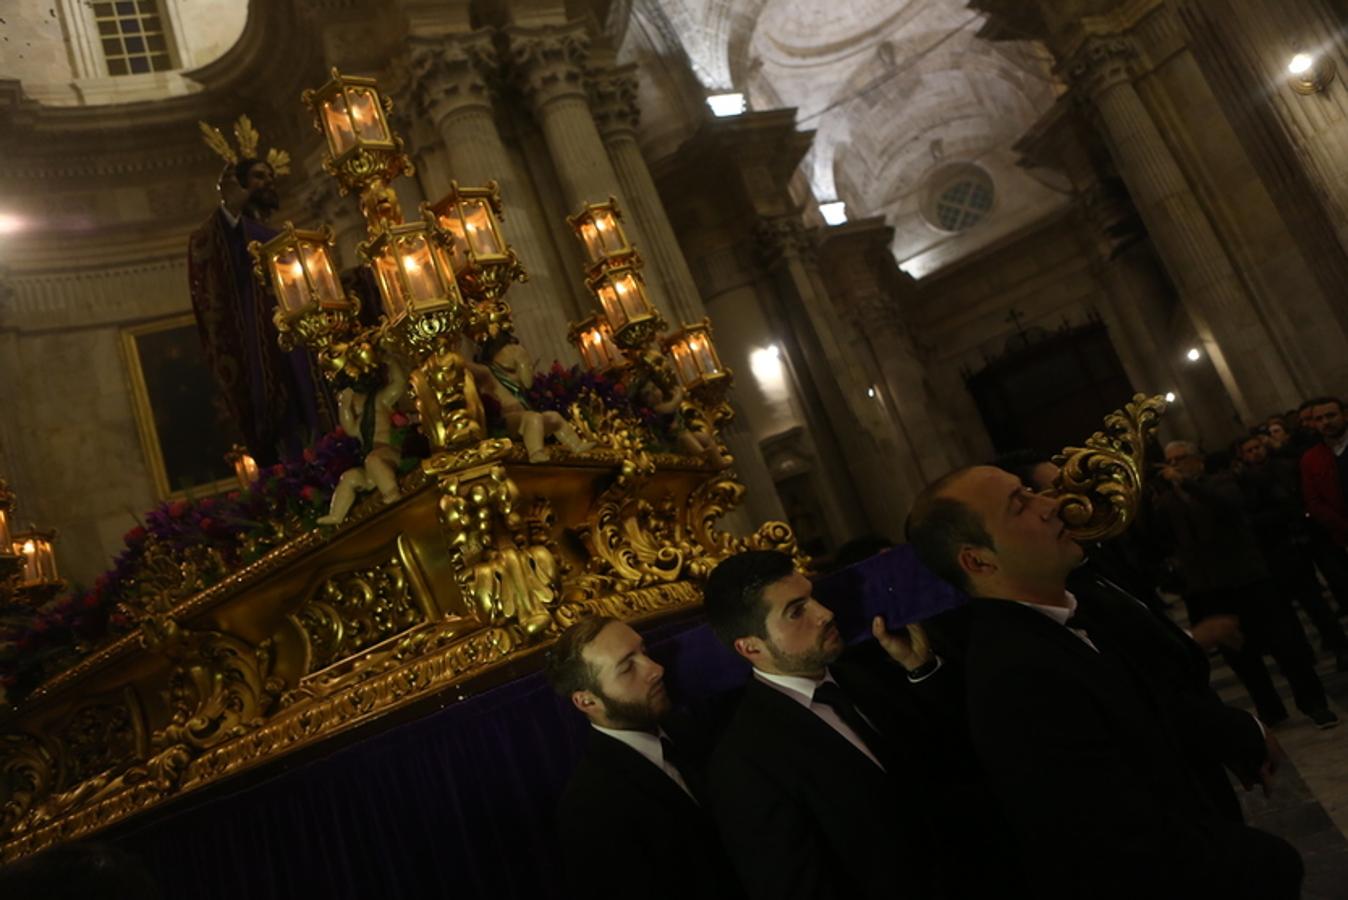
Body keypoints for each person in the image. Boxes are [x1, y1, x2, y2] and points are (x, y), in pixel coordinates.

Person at [905, 465, 1303, 900]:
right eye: (1021, 505)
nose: (1052, 503)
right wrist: (1271, 862)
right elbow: (1117, 845)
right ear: (978, 560)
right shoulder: (1017, 677)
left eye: (1030, 492)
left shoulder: (1059, 624)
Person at [701, 549, 1025, 900]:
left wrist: (921, 670)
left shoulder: (863, 676)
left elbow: (954, 761)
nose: (825, 614)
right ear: (750, 647)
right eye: (797, 612)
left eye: (813, 598)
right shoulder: (744, 762)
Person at [544, 616, 741, 900]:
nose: (656, 669)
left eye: (644, 652)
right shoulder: (589, 808)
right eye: (627, 668)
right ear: (587, 701)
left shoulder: (692, 731)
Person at [1154, 440, 1337, 728]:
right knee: (1240, 655)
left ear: (1198, 459)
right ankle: (1270, 709)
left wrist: (1186, 484)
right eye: (1171, 461)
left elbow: (1227, 507)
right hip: (1210, 587)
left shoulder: (1223, 481)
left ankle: (1314, 703)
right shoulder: (1168, 499)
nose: (1176, 465)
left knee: (1285, 645)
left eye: (1182, 458)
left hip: (1249, 578)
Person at [187, 159, 330, 464]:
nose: (268, 181)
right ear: (239, 185)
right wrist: (230, 210)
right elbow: (211, 249)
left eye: (271, 176)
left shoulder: (272, 233)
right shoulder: (234, 230)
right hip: (264, 339)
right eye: (258, 176)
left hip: (303, 334)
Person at [1237, 433, 1348, 669]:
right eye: (1249, 450)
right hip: (1276, 549)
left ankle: (1338, 644)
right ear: (1242, 456)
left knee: (1316, 601)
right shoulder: (1244, 481)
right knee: (1292, 609)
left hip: (1302, 538)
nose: (1256, 452)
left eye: (1258, 447)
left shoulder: (1285, 467)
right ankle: (1307, 654)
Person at [467, 333, 593, 462]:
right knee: (532, 418)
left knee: (554, 417)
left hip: (523, 418)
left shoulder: (512, 378)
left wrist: (523, 362)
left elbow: (528, 382)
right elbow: (471, 368)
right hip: (504, 422)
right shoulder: (489, 373)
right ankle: (536, 453)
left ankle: (576, 445)